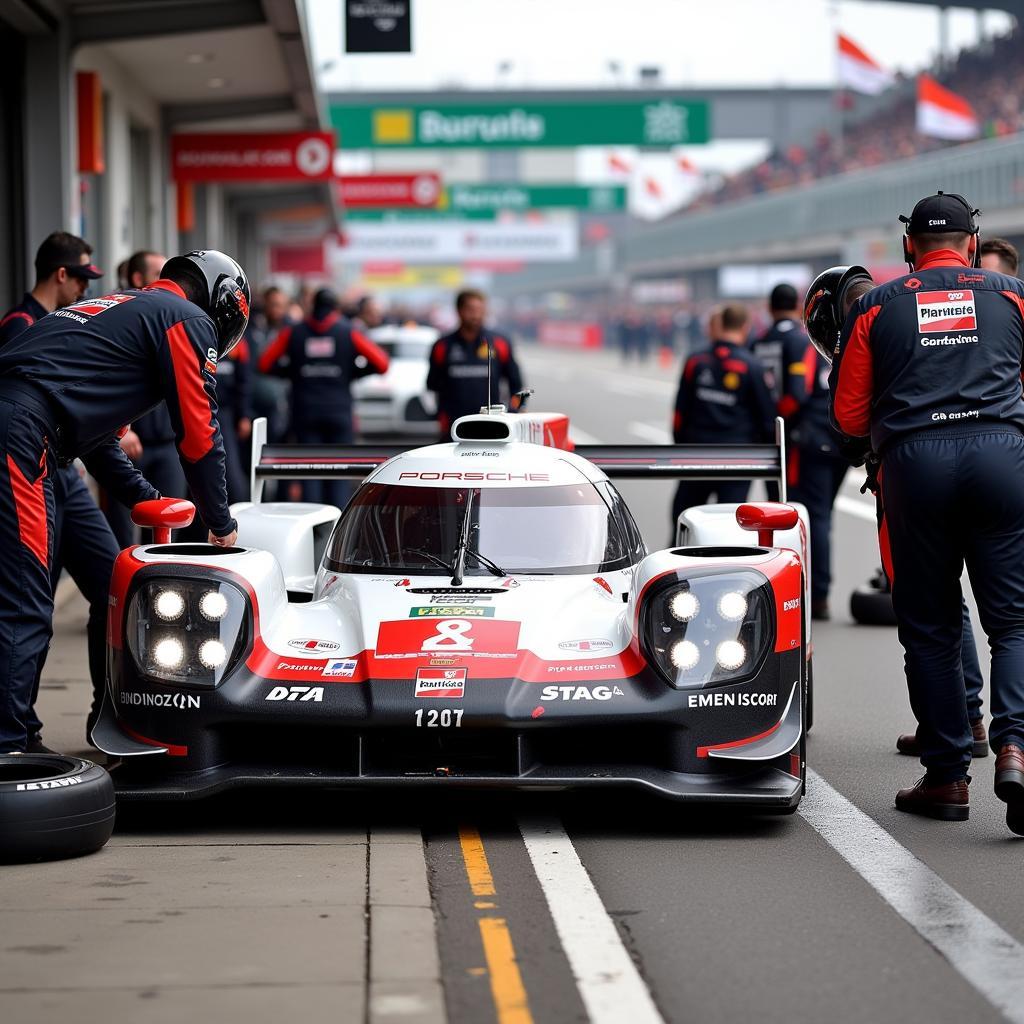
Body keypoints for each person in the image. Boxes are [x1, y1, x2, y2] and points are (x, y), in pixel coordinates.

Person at [829, 192, 1024, 833]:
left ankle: (946, 779)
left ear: (909, 247)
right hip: (1002, 457)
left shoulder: (874, 306)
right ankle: (1016, 749)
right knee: (1015, 622)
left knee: (933, 627)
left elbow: (850, 417)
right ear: (972, 243)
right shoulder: (1010, 293)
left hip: (915, 465)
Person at [0, 249, 247, 754]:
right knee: (24, 603)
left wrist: (146, 498)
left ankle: (17, 736)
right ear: (223, 305)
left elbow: (95, 439)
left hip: (24, 426)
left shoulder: (122, 307)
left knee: (27, 594)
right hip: (19, 434)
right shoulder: (187, 319)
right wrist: (219, 522)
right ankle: (10, 746)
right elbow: (199, 434)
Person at [806, 265, 990, 756]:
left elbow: (848, 426)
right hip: (989, 471)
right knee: (995, 616)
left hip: (911, 485)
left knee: (928, 615)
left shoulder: (871, 330)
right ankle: (986, 731)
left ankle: (953, 735)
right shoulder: (922, 316)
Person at [0, 231, 123, 750]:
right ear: (61, 275)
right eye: (82, 278)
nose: (85, 291)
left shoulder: (58, 324)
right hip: (28, 468)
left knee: (114, 582)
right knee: (29, 605)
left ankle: (110, 715)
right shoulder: (20, 326)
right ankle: (17, 736)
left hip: (65, 474)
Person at [258, 288, 389, 508]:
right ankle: (336, 527)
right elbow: (382, 363)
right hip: (339, 412)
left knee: (310, 471)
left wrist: (292, 372)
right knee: (339, 473)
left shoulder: (294, 331)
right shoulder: (348, 331)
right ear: (335, 307)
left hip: (305, 412)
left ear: (313, 306)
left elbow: (264, 364)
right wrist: (353, 372)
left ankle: (314, 530)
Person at [102, 250, 189, 548]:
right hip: (125, 446)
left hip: (167, 446)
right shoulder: (115, 320)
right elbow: (103, 382)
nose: (169, 284)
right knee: (121, 539)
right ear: (138, 279)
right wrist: (120, 429)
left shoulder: (174, 317)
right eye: (159, 274)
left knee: (168, 536)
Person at [670, 304, 776, 534]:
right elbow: (767, 420)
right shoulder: (753, 366)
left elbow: (679, 414)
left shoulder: (695, 361)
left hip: (695, 454)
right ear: (745, 327)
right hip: (738, 459)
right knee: (731, 531)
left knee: (684, 526)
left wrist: (682, 449)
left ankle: (678, 569)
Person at [426, 289, 524, 441]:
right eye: (471, 310)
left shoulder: (499, 343)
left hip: (493, 427)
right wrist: (439, 415)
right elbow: (431, 386)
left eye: (480, 310)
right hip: (453, 429)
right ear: (459, 311)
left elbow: (518, 387)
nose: (476, 315)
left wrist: (513, 413)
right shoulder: (442, 346)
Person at [751, 283, 808, 502]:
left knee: (774, 497)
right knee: (795, 502)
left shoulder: (758, 341)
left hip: (764, 430)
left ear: (769, 308)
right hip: (794, 431)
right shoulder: (801, 340)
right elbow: (798, 393)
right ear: (797, 306)